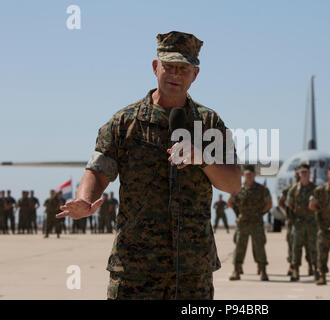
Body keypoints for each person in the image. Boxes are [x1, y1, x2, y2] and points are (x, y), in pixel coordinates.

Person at [56, 31, 241, 300]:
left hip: (192, 271)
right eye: (169, 67)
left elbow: (233, 183)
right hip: (135, 269)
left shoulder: (209, 124)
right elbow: (97, 170)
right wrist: (85, 200)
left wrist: (202, 159)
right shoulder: (124, 122)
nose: (175, 75)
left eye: (183, 69)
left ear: (195, 74)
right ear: (156, 68)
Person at [228, 165, 272, 281]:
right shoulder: (238, 189)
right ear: (243, 175)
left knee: (259, 247)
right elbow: (230, 202)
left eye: (251, 174)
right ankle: (236, 270)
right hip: (242, 223)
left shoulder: (262, 189)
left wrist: (260, 213)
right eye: (247, 174)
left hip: (256, 222)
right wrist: (238, 213)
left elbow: (269, 204)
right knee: (239, 247)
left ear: (254, 175)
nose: (249, 176)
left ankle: (263, 270)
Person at [287, 163, 318, 281]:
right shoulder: (293, 189)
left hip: (311, 223)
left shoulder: (315, 189)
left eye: (306, 172)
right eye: (302, 173)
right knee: (296, 248)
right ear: (299, 174)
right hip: (298, 223)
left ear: (309, 174)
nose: (304, 174)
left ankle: (316, 269)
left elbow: (320, 205)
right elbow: (289, 205)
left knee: (313, 248)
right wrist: (293, 219)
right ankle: (295, 270)